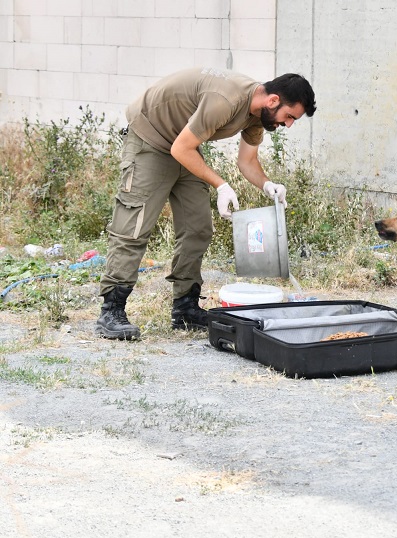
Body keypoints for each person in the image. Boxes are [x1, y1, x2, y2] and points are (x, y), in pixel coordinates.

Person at [95, 67, 316, 340]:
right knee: (135, 225)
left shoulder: (259, 116)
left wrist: (267, 184)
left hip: (183, 144)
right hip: (151, 138)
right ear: (273, 101)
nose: (289, 124)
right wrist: (221, 185)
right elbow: (179, 149)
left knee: (198, 227)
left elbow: (247, 162)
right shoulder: (226, 100)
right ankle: (112, 309)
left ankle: (185, 308)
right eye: (290, 116)